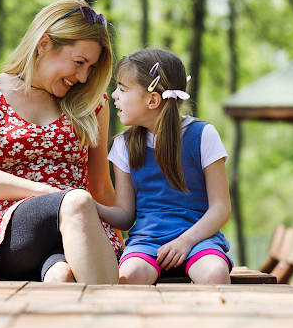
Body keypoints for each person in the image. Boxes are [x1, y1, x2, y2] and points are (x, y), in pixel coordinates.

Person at [0, 0, 121, 283]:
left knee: (62, 277)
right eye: (79, 62)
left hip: (77, 229)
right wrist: (50, 194)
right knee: (76, 202)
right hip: (10, 230)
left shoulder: (91, 104)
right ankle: (117, 320)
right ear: (43, 44)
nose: (82, 77)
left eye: (90, 68)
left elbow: (101, 185)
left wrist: (128, 242)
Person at [95, 48, 232, 285]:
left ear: (152, 100)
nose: (114, 95)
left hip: (199, 240)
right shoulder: (123, 145)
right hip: (146, 242)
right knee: (130, 276)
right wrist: (86, 203)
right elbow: (126, 216)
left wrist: (185, 241)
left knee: (215, 274)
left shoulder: (203, 135)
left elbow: (221, 207)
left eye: (122, 88)